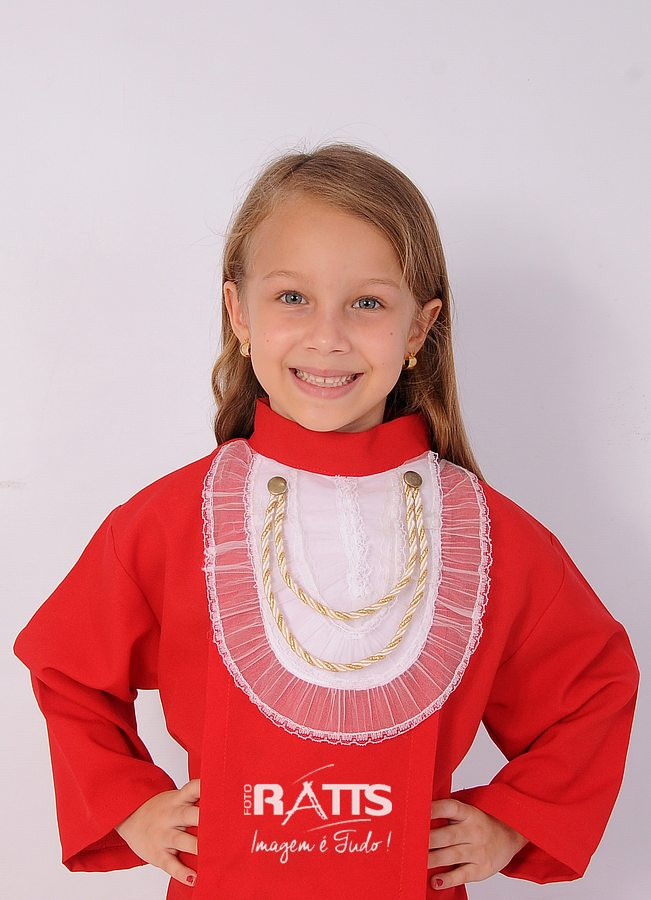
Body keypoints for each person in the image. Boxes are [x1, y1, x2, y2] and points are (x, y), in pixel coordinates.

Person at [13, 143, 640, 899]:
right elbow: (67, 668)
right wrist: (130, 807)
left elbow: (593, 687)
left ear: (419, 328)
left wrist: (513, 822)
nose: (328, 336)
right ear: (238, 312)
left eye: (367, 303)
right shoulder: (172, 522)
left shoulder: (489, 535)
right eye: (292, 297)